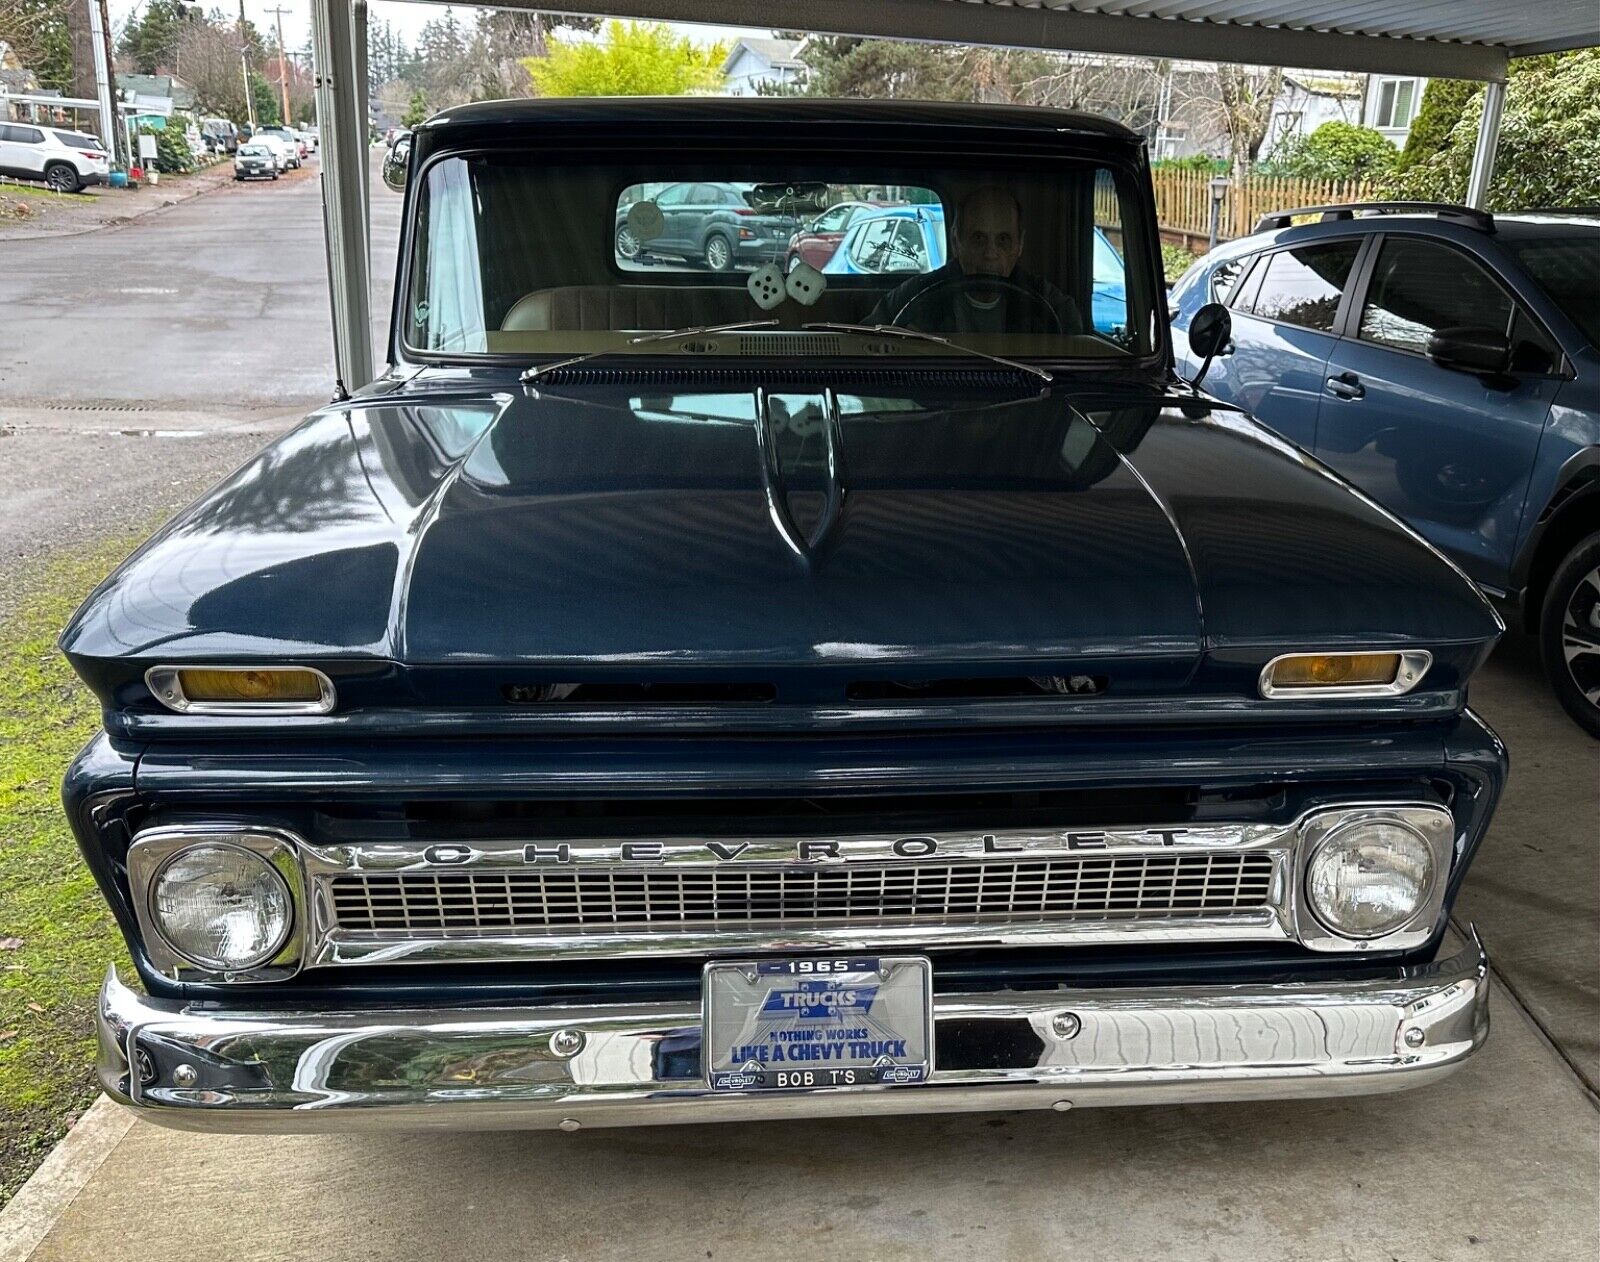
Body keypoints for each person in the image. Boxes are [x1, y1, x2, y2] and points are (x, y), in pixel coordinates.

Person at [868, 185, 1081, 335]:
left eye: (1003, 240)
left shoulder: (1050, 306)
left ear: (1020, 245)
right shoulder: (913, 299)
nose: (990, 254)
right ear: (955, 241)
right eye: (978, 239)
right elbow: (864, 350)